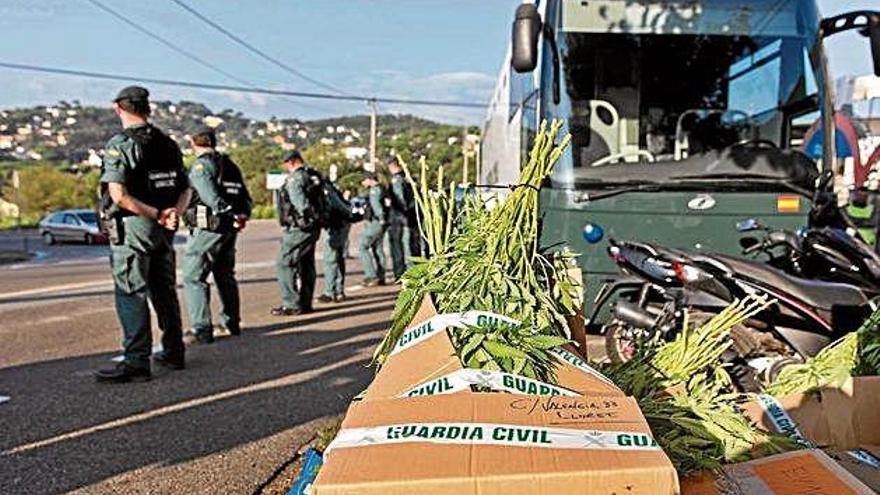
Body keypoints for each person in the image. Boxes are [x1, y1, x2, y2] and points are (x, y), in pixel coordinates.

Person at [94, 86, 191, 383]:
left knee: (131, 292)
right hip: (164, 230)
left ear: (119, 108)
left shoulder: (120, 144)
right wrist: (173, 212)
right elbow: (186, 188)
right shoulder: (167, 143)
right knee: (164, 291)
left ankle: (136, 361)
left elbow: (119, 196)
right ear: (147, 109)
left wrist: (155, 213)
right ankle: (174, 352)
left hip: (135, 228)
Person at [181, 127, 252, 344]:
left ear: (194, 143)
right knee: (224, 275)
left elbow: (210, 197)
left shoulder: (202, 166)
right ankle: (231, 323)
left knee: (194, 276)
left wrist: (229, 214)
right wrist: (241, 216)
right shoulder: (229, 165)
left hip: (210, 227)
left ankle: (201, 328)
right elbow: (245, 197)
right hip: (229, 229)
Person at [272, 150, 321, 316]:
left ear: (292, 162)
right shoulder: (313, 175)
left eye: (286, 164)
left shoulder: (295, 178)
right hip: (313, 227)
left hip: (300, 227)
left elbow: (301, 204)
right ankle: (305, 302)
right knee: (306, 263)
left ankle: (291, 303)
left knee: (284, 262)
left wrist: (305, 218)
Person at [318, 179, 352, 303]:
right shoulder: (331, 189)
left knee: (330, 259)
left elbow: (338, 206)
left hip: (336, 226)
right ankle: (338, 291)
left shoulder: (327, 190)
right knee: (338, 258)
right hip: (340, 224)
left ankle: (330, 292)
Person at [385, 156, 417, 280]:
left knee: (398, 246)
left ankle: (401, 273)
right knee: (410, 245)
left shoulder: (397, 180)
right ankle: (411, 272)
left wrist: (401, 213)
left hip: (399, 218)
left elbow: (400, 198)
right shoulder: (407, 178)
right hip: (409, 217)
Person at [359, 172, 388, 286]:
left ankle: (371, 276)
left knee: (363, 247)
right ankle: (381, 276)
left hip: (376, 221)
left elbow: (377, 206)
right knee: (378, 249)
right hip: (382, 222)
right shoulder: (383, 188)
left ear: (369, 179)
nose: (362, 183)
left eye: (363, 180)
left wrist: (381, 218)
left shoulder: (374, 190)